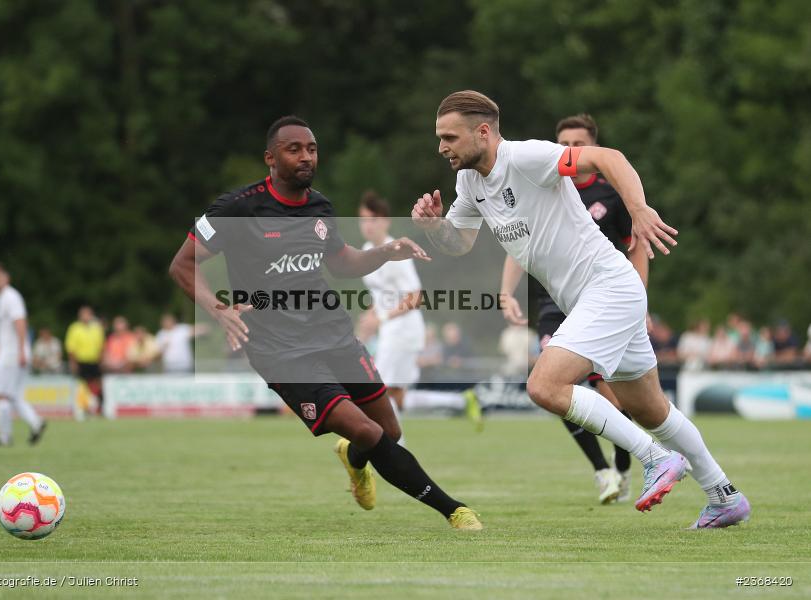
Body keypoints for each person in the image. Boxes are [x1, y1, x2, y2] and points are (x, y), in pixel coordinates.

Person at [412, 90, 749, 528]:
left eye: (449, 137)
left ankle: (654, 459)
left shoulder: (527, 157)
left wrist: (639, 209)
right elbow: (459, 243)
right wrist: (434, 227)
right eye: (440, 138)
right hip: (593, 299)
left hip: (609, 288)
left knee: (544, 386)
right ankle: (724, 496)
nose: (442, 147)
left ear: (482, 131)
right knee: (651, 410)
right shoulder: (470, 183)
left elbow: (610, 158)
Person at [168, 115, 480, 530]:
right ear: (270, 158)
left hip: (333, 334)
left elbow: (343, 262)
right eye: (293, 149)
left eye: (311, 149)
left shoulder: (320, 207)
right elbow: (182, 264)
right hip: (282, 352)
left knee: (389, 429)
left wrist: (386, 251)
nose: (305, 156)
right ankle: (453, 510)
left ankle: (352, 460)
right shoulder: (238, 208)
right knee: (368, 432)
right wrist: (219, 309)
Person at [499, 113, 648, 505]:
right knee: (550, 382)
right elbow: (518, 240)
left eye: (578, 143)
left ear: (591, 146)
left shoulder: (611, 194)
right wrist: (505, 291)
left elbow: (637, 248)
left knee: (613, 393)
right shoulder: (542, 184)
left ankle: (624, 464)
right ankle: (602, 472)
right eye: (563, 143)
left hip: (601, 298)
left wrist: (639, 301)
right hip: (555, 302)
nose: (570, 150)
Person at [358, 191, 426, 446]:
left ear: (385, 221)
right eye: (363, 219)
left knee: (380, 390)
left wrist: (382, 318)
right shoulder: (366, 251)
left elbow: (416, 296)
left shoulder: (396, 251)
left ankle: (397, 450)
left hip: (404, 330)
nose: (367, 225)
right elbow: (380, 298)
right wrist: (369, 321)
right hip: (389, 330)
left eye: (373, 219)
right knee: (396, 396)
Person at [0, 263, 46, 446]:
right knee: (14, 395)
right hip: (12, 352)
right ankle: (36, 422)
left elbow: (20, 322)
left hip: (11, 354)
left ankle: (5, 437)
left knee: (0, 394)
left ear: (6, 277)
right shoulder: (4, 298)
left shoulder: (10, 297)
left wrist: (21, 350)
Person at [65, 305, 105, 410]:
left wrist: (101, 360)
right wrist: (73, 362)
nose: (85, 316)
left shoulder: (97, 328)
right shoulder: (74, 328)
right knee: (82, 385)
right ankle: (83, 407)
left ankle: (99, 406)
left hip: (94, 361)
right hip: (81, 361)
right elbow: (71, 347)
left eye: (88, 314)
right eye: (83, 314)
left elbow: (101, 346)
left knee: (98, 384)